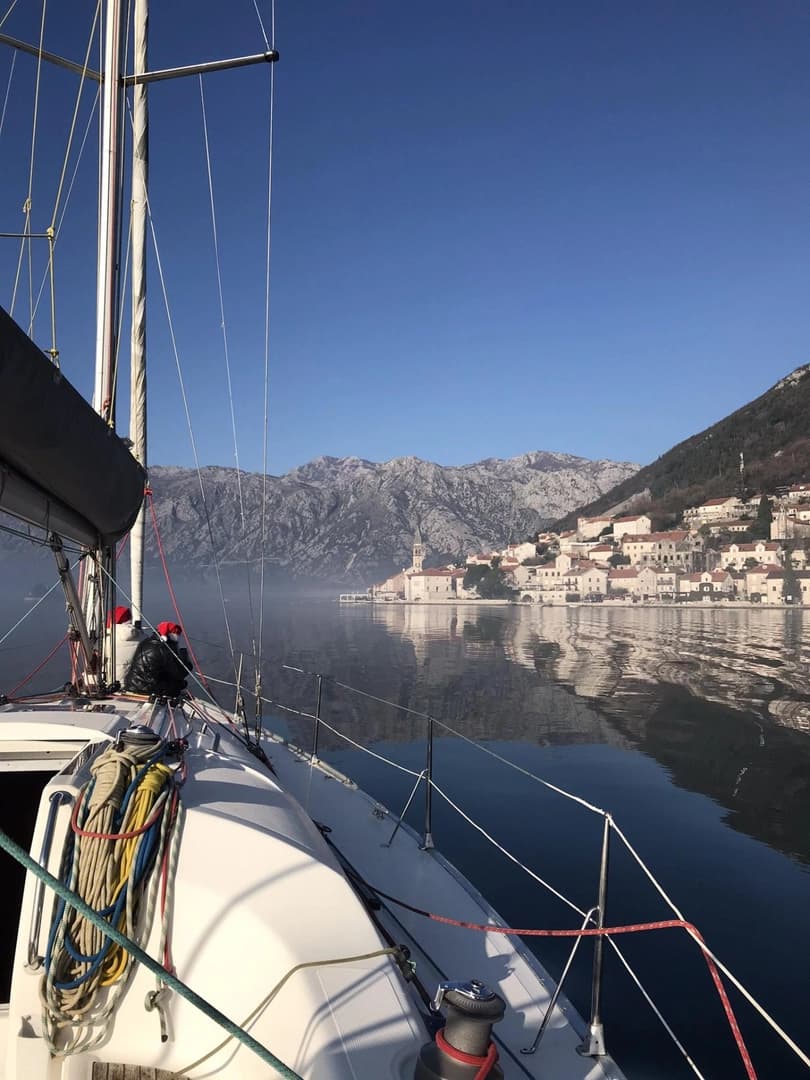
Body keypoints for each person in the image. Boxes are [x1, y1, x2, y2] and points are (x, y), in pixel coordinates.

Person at [123, 621, 193, 697]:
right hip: (148, 689)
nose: (178, 636)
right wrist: (185, 658)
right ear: (169, 634)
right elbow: (179, 673)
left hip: (133, 684)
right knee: (178, 684)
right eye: (176, 633)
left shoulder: (147, 642)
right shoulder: (163, 649)